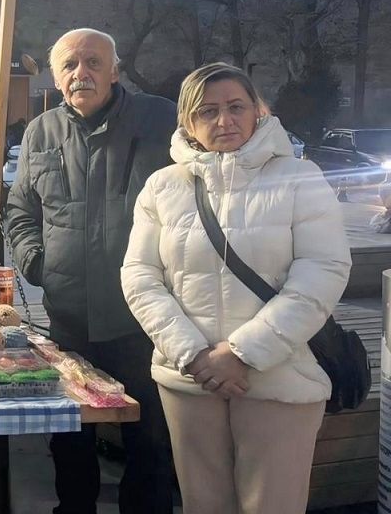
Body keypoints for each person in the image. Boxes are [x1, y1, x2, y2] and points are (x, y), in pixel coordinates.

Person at [121, 62, 349, 514]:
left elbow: (322, 272)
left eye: (235, 107)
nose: (224, 120)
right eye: (208, 111)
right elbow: (140, 276)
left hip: (281, 376)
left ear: (257, 111)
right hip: (191, 380)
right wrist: (192, 353)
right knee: (203, 504)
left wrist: (242, 353)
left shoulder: (299, 178)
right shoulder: (162, 187)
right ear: (188, 122)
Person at [3, 28, 177, 514]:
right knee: (70, 435)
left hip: (143, 319)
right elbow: (20, 208)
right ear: (57, 78)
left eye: (94, 62)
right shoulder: (42, 131)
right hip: (69, 318)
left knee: (151, 440)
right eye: (70, 65)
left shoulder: (159, 120)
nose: (82, 73)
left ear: (115, 70)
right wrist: (37, 262)